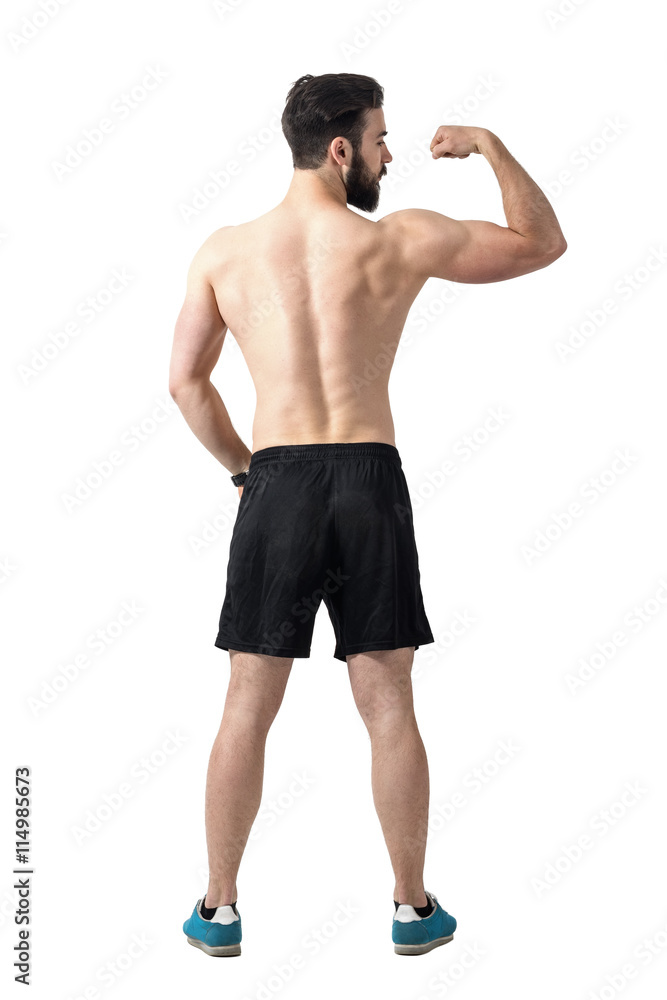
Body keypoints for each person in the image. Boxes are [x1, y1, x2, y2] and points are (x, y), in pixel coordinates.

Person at [171, 72, 566, 957]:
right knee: (387, 699)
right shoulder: (396, 242)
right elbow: (541, 243)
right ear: (340, 149)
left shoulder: (224, 252)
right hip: (366, 477)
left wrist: (245, 469)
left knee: (246, 701)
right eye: (380, 141)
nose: (390, 156)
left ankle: (219, 908)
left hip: (276, 480)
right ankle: (411, 908)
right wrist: (490, 147)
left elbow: (184, 384)